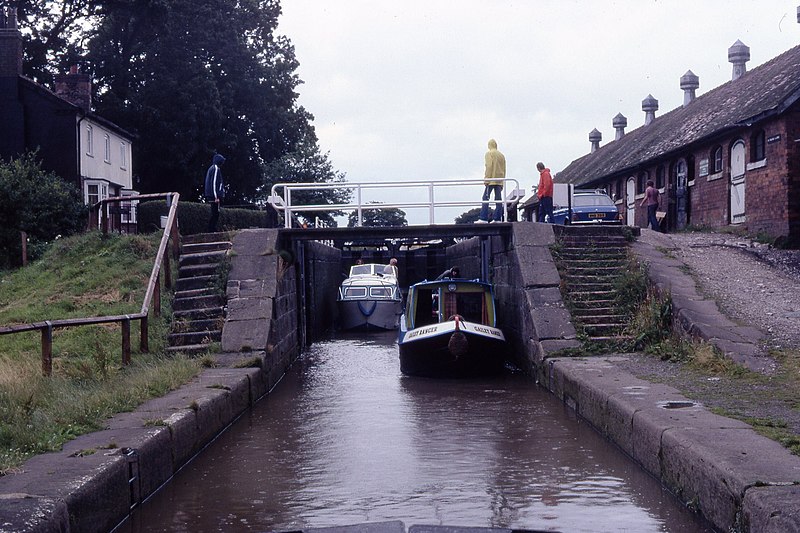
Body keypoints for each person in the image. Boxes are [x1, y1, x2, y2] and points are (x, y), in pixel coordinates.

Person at [477, 139, 506, 223]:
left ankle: (483, 218)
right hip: (499, 179)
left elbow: (489, 166)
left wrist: (486, 179)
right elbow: (504, 169)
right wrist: (502, 182)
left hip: (491, 179)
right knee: (498, 199)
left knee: (485, 197)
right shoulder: (502, 155)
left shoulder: (489, 153)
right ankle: (497, 218)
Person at [204, 153, 225, 232]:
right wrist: (216, 196)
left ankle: (212, 228)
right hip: (214, 195)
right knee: (215, 213)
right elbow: (214, 182)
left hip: (211, 194)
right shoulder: (216, 168)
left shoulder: (211, 168)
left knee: (215, 212)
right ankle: (211, 229)